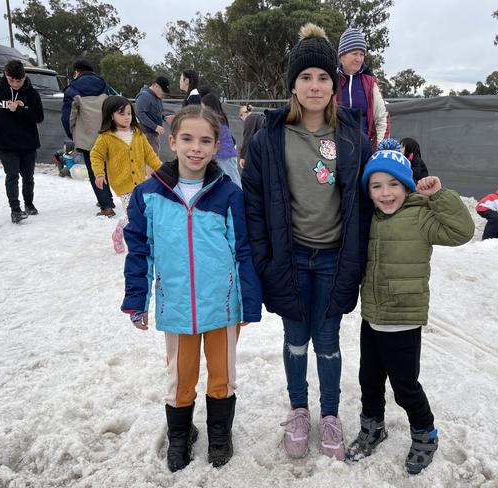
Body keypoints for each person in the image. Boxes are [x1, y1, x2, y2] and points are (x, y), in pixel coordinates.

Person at [242, 23, 373, 461]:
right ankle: (299, 409)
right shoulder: (269, 138)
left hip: (336, 256)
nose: (315, 86)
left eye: (323, 78)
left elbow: (369, 199)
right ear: (292, 86)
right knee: (296, 336)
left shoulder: (353, 137)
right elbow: (255, 205)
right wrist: (265, 259)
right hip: (292, 257)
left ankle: (330, 413)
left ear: (334, 85)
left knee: (329, 338)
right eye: (305, 78)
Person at [121, 105, 262, 472]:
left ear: (217, 146)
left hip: (223, 307)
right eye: (187, 139)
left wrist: (249, 300)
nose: (195, 148)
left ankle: (219, 433)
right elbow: (140, 251)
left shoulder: (228, 195)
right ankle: (180, 435)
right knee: (180, 378)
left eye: (205, 140)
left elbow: (243, 250)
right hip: (178, 308)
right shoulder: (149, 195)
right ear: (172, 142)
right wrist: (138, 301)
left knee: (222, 377)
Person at [346, 147, 474, 474]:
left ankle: (424, 432)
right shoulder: (369, 219)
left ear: (406, 186)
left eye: (393, 185)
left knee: (405, 385)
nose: (386, 193)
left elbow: (463, 231)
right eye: (376, 186)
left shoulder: (421, 217)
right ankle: (372, 427)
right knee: (369, 380)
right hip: (372, 316)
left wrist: (439, 196)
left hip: (403, 318)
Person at [90, 96, 162, 253]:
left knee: (144, 211)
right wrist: (99, 173)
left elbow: (149, 155)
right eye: (122, 114)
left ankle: (120, 230)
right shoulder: (106, 137)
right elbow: (96, 155)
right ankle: (136, 242)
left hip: (141, 182)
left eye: (129, 113)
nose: (127, 117)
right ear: (111, 115)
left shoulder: (137, 133)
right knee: (134, 214)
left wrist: (162, 170)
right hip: (123, 184)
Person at [0, 59, 44, 223]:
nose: (15, 84)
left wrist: (19, 109)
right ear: (6, 75)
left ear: (24, 76)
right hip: (5, 143)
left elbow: (39, 117)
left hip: (28, 143)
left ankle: (29, 204)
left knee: (28, 176)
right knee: (12, 175)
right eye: (12, 80)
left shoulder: (32, 93)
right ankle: (15, 209)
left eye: (19, 80)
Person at [62, 58, 116, 217]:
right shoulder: (105, 86)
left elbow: (67, 117)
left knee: (95, 172)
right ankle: (107, 198)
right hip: (108, 135)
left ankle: (106, 206)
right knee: (105, 169)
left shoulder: (72, 89)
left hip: (87, 139)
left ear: (77, 72)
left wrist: (71, 134)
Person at [334, 28, 390, 151]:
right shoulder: (330, 81)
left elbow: (382, 119)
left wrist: (380, 151)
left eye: (362, 54)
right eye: (354, 53)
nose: (359, 59)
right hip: (335, 153)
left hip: (365, 152)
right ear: (341, 55)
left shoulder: (370, 83)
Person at [201, 92, 242, 187]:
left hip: (225, 156)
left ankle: (240, 199)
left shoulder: (216, 120)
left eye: (204, 107)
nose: (202, 110)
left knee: (234, 182)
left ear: (209, 107)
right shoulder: (219, 118)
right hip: (223, 155)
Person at [135, 76, 173, 155]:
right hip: (147, 134)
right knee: (152, 161)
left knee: (153, 160)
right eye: (163, 90)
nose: (163, 93)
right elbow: (140, 113)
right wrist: (155, 126)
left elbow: (155, 111)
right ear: (156, 86)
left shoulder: (157, 97)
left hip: (153, 134)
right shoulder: (144, 96)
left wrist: (164, 117)